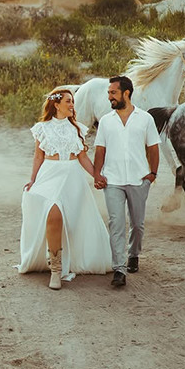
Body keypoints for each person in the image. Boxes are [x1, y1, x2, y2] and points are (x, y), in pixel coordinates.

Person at [17, 87, 111, 290]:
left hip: (72, 177)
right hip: (49, 175)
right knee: (53, 214)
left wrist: (96, 174)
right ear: (56, 104)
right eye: (68, 101)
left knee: (67, 220)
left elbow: (82, 157)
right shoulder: (42, 128)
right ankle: (56, 269)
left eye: (73, 102)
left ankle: (63, 260)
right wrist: (32, 180)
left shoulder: (77, 128)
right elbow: (38, 157)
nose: (72, 105)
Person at [93, 75, 160, 288]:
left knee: (138, 224)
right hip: (112, 180)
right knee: (117, 224)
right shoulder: (105, 121)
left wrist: (153, 174)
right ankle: (119, 269)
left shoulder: (145, 119)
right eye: (109, 93)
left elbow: (153, 147)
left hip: (138, 179)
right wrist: (97, 174)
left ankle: (133, 254)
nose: (110, 97)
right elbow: (100, 150)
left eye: (113, 93)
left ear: (126, 93)